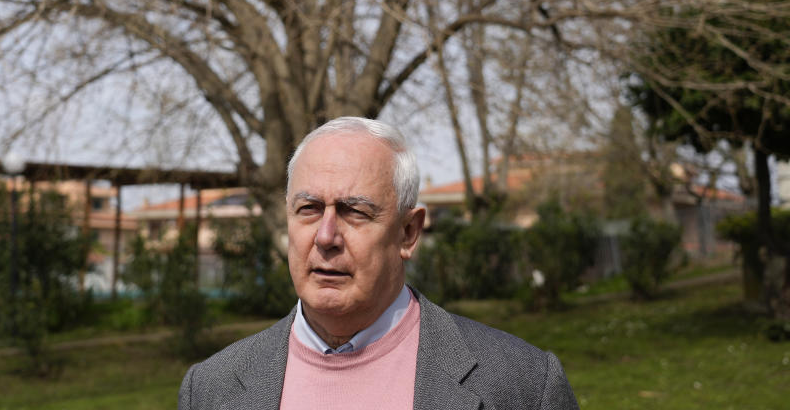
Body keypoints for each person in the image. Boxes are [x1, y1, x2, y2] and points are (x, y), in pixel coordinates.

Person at [179, 116, 579, 410]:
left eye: (355, 211)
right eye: (309, 208)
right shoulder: (211, 389)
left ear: (408, 233)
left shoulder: (522, 386)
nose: (325, 236)